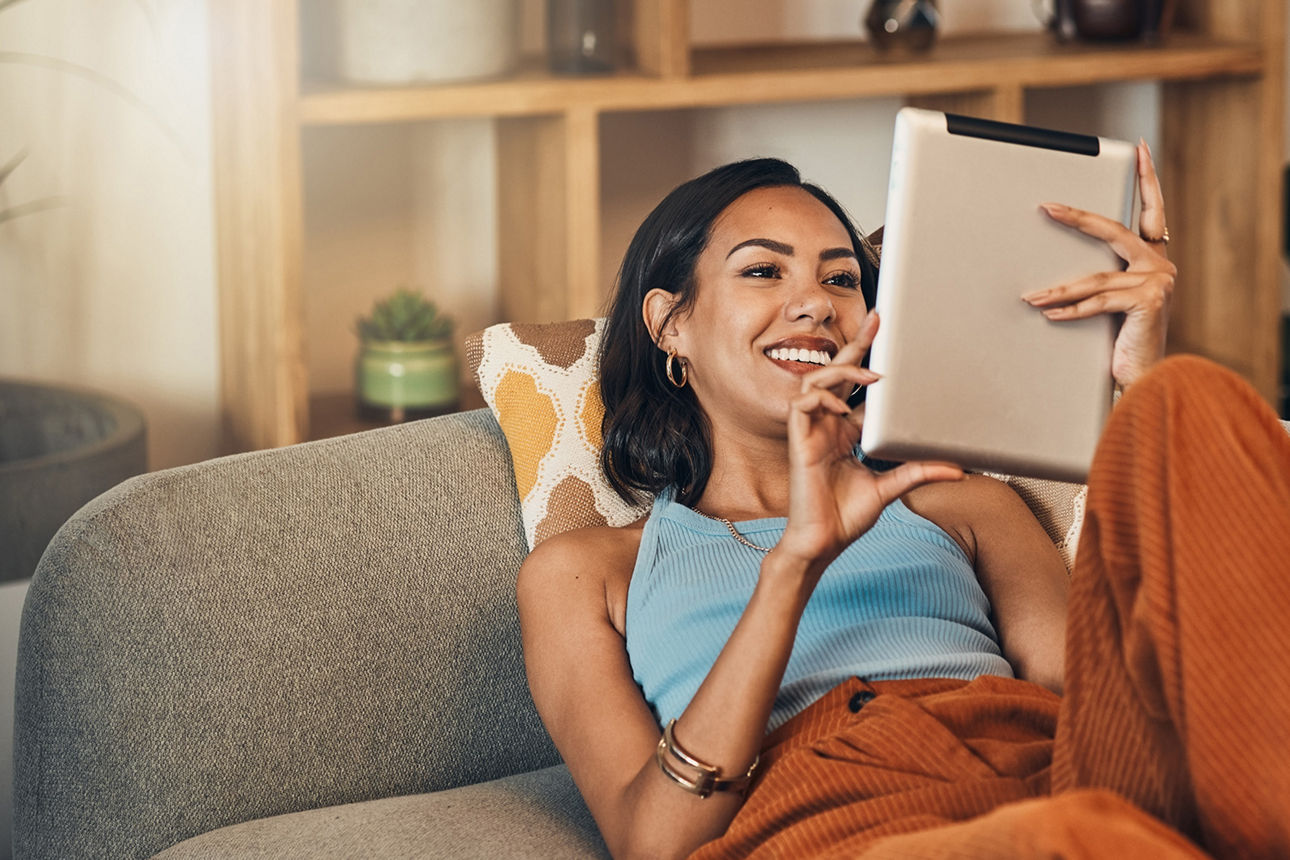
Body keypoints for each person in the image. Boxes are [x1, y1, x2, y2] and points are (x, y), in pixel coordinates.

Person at [517, 151, 1290, 859]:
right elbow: (654, 841)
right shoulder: (588, 572)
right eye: (763, 272)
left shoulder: (959, 502)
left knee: (1193, 400)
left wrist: (1134, 385)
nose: (815, 305)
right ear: (670, 322)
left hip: (1045, 771)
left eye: (841, 279)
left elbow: (1102, 700)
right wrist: (798, 561)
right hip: (840, 820)